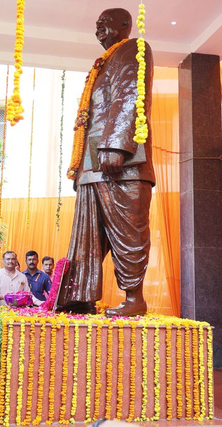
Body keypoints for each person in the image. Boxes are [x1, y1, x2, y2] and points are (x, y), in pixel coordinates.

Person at [57, 8, 155, 317]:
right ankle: (79, 296)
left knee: (129, 231)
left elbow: (130, 95)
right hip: (92, 164)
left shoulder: (132, 48)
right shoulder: (101, 64)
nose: (99, 30)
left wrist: (116, 146)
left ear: (125, 25)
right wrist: (86, 164)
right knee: (88, 236)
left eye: (105, 23)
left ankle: (134, 299)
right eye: (96, 25)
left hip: (121, 161)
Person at [0, 251, 31, 342]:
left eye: (13, 259)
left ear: (16, 261)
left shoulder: (22, 277)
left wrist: (42, 303)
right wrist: (3, 297)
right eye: (8, 259)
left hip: (17, 317)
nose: (10, 261)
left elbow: (28, 294)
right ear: (3, 261)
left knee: (16, 343)